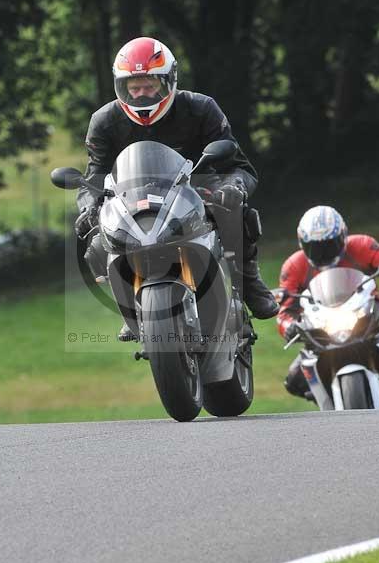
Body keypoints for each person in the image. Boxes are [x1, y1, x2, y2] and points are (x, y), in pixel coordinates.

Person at [74, 36, 278, 339]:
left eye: (150, 85)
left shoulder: (201, 108)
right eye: (134, 87)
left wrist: (233, 187)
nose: (141, 95)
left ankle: (247, 282)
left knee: (238, 211)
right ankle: (131, 304)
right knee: (94, 239)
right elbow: (94, 176)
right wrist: (89, 205)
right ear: (121, 86)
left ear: (168, 81)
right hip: (131, 202)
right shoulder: (104, 121)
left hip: (197, 192)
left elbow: (239, 166)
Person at [277, 205, 379, 403]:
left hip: (373, 322)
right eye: (315, 248)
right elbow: (284, 311)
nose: (324, 253)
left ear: (343, 236)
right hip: (322, 332)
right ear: (303, 244)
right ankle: (326, 399)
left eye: (329, 245)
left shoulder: (363, 245)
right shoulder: (294, 266)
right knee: (294, 379)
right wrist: (290, 326)